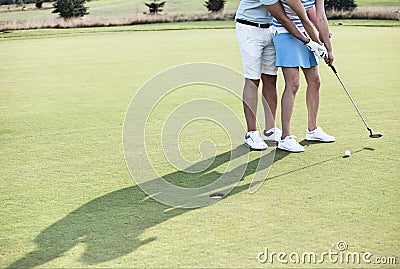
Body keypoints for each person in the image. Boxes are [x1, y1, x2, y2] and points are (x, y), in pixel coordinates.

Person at [236, 0, 327, 150]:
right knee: (253, 80)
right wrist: (308, 41)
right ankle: (251, 133)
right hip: (250, 28)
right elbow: (283, 18)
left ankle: (270, 130)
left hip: (270, 28)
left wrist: (319, 35)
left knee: (270, 78)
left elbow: (306, 10)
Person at [272, 0, 335, 152]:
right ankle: (285, 137)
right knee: (293, 84)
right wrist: (318, 44)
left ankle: (312, 130)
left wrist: (329, 48)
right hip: (285, 32)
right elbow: (303, 18)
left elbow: (320, 17)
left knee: (315, 81)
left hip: (305, 31)